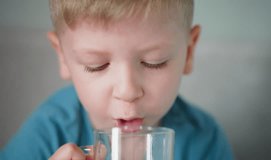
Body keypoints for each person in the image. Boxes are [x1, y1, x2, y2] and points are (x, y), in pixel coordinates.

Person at [0, 0, 234, 159]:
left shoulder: (205, 140)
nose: (128, 91)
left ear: (189, 52)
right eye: (96, 65)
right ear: (63, 56)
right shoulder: (48, 132)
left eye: (155, 62)